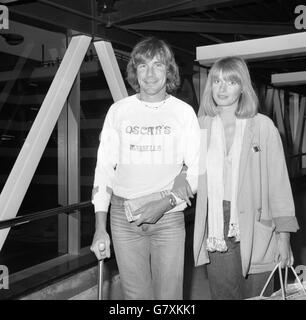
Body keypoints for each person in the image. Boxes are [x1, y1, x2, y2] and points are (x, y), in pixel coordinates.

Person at [90, 37, 200, 300]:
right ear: (134, 72)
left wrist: (164, 204)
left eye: (158, 65)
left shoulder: (184, 113)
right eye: (143, 66)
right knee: (135, 298)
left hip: (169, 217)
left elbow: (197, 170)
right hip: (122, 217)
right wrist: (99, 226)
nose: (150, 74)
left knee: (169, 297)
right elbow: (104, 169)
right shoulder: (118, 111)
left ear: (169, 71)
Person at [193, 56, 299, 300]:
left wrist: (284, 239)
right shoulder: (200, 127)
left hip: (257, 223)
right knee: (223, 296)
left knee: (258, 295)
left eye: (231, 82)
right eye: (217, 81)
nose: (222, 88)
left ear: (243, 87)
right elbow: (185, 172)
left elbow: (279, 186)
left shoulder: (262, 126)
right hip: (217, 226)